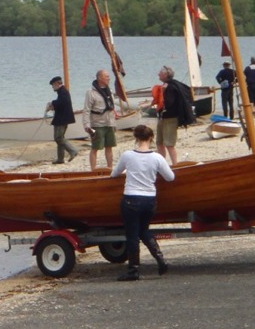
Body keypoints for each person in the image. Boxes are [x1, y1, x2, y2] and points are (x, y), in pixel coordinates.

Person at [110, 125, 176, 281]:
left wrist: (129, 171)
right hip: (149, 200)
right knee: (144, 231)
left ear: (136, 138)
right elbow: (170, 177)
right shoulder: (157, 158)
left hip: (131, 199)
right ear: (151, 138)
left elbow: (114, 174)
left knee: (132, 236)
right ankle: (160, 259)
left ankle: (133, 271)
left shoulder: (128, 156)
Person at [155, 65, 195, 164]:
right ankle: (162, 164)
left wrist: (163, 92)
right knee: (159, 143)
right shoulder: (167, 85)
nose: (158, 74)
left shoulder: (171, 86)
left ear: (165, 74)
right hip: (162, 118)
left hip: (170, 118)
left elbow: (169, 103)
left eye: (160, 72)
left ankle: (175, 164)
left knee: (169, 144)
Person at [83, 69, 117, 169]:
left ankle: (110, 168)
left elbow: (112, 108)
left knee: (109, 146)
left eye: (108, 76)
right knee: (95, 147)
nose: (109, 78)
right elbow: (86, 109)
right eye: (106, 76)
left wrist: (114, 123)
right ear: (99, 78)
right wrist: (86, 125)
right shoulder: (91, 92)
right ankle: (93, 169)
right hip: (97, 124)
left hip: (109, 123)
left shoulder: (109, 91)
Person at [46, 76, 78, 165]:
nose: (52, 87)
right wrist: (53, 105)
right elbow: (60, 104)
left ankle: (73, 151)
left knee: (59, 138)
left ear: (57, 83)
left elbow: (62, 103)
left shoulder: (63, 92)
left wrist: (52, 103)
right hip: (60, 118)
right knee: (58, 138)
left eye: (53, 85)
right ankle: (60, 159)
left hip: (62, 119)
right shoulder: (61, 92)